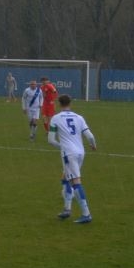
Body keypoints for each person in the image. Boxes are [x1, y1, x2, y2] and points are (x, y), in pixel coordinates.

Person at [48, 95, 98, 224]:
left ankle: (86, 214)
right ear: (70, 103)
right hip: (81, 152)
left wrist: (62, 146)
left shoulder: (55, 118)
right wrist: (93, 144)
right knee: (65, 178)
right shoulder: (79, 117)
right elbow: (90, 136)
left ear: (59, 104)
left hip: (69, 154)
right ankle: (67, 209)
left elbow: (51, 140)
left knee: (75, 182)